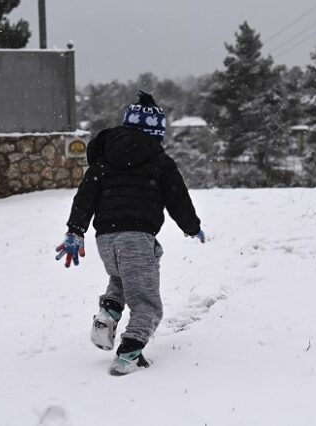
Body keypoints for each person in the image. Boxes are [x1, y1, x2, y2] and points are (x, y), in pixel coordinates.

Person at [55, 91, 205, 376]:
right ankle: (129, 354)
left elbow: (85, 196)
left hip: (105, 239)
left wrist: (75, 230)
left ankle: (108, 314)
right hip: (136, 238)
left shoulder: (103, 161)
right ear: (156, 132)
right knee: (147, 303)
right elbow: (177, 199)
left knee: (121, 279)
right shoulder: (160, 161)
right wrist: (192, 227)